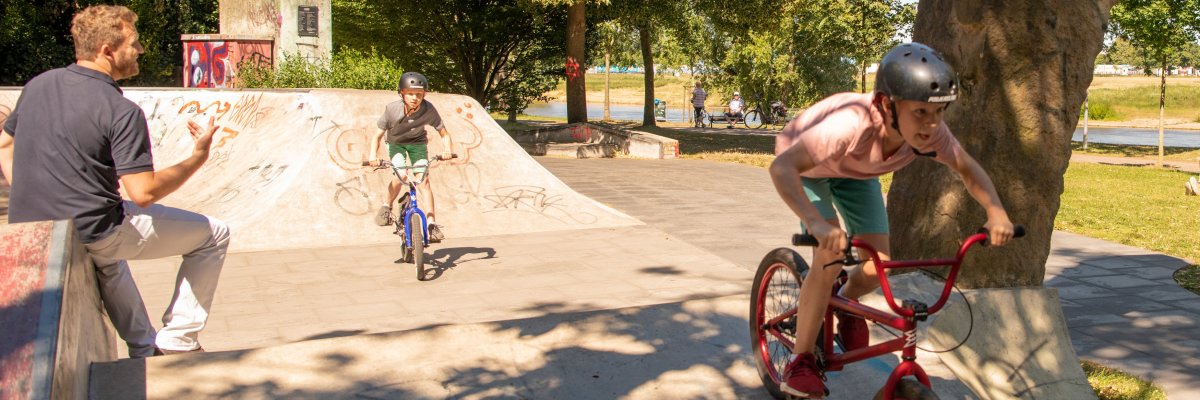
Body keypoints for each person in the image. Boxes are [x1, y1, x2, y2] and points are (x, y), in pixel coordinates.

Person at [768, 42, 1014, 398]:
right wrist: (817, 224)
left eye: (940, 112)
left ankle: (842, 303)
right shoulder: (848, 125)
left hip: (856, 171)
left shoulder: (931, 133)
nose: (932, 125)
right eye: (920, 113)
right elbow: (783, 168)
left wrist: (996, 212)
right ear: (886, 104)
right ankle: (801, 360)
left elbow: (967, 168)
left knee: (879, 264)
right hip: (808, 167)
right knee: (830, 251)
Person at [0, 5, 230, 358]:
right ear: (107, 51)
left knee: (109, 259)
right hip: (95, 230)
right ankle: (179, 338)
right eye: (134, 44)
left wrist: (27, 192)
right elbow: (143, 192)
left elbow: (4, 143)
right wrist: (197, 157)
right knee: (213, 235)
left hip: (37, 223)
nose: (140, 51)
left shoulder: (38, 85)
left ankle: (143, 346)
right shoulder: (120, 110)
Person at [369, 71, 456, 242]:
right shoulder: (392, 110)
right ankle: (387, 205)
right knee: (401, 176)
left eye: (419, 94)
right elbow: (377, 136)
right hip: (396, 143)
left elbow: (444, 133)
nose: (415, 98)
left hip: (417, 144)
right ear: (402, 93)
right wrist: (373, 156)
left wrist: (447, 150)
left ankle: (431, 224)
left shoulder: (429, 109)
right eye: (410, 94)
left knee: (423, 180)